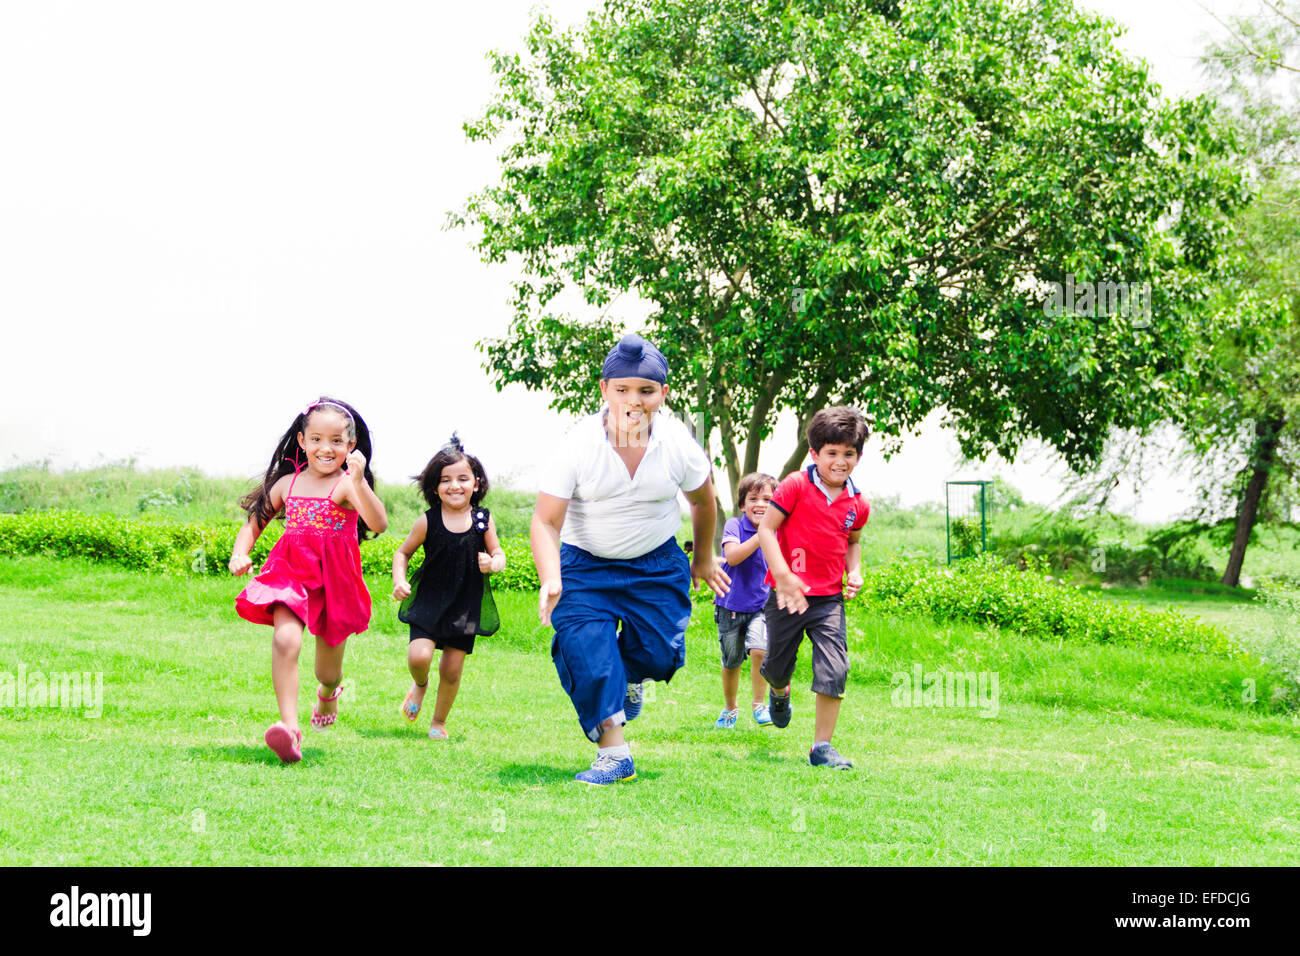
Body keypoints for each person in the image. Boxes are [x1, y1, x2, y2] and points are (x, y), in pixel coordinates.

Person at [531, 333, 731, 785]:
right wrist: (551, 577)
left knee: (661, 655)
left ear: (663, 394)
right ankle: (615, 754)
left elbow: (703, 502)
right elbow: (545, 521)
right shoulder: (577, 445)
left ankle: (633, 676)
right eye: (622, 389)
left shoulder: (679, 442)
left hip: (654, 564)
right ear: (604, 390)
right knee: (589, 650)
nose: (633, 401)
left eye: (646, 390)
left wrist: (703, 558)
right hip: (585, 566)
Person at [231, 397, 388, 764]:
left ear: (351, 445)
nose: (326, 448)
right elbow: (255, 522)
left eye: (336, 440)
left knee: (327, 672)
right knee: (286, 640)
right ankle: (289, 729)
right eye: (316, 439)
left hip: (335, 580)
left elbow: (378, 524)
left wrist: (360, 480)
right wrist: (241, 553)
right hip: (290, 573)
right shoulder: (288, 483)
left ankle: (328, 693)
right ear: (301, 441)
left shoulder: (348, 486)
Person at [756, 406, 870, 770]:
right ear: (814, 453)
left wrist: (856, 571)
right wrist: (784, 575)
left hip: (828, 600)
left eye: (848, 454)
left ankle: (821, 747)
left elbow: (853, 542)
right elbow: (766, 530)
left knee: (835, 669)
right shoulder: (794, 486)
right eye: (832, 453)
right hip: (787, 596)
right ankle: (778, 692)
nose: (840, 461)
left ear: (858, 456)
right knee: (776, 668)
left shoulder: (858, 503)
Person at [392, 436, 504, 741]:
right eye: (445, 480)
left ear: (477, 484)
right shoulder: (427, 521)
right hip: (429, 600)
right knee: (419, 657)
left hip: (464, 605)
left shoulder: (483, 520)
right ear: (434, 487)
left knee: (452, 669)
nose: (455, 486)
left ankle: (438, 722)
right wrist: (399, 580)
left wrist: (493, 564)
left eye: (463, 479)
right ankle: (420, 685)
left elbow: (499, 554)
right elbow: (402, 553)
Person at [714, 472, 779, 729]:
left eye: (767, 499)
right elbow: (733, 557)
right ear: (743, 505)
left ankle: (759, 704)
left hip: (761, 606)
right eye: (753, 499)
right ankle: (730, 708)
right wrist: (761, 535)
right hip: (729, 606)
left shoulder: (777, 531)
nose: (760, 504)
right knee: (731, 661)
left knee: (760, 650)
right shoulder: (734, 526)